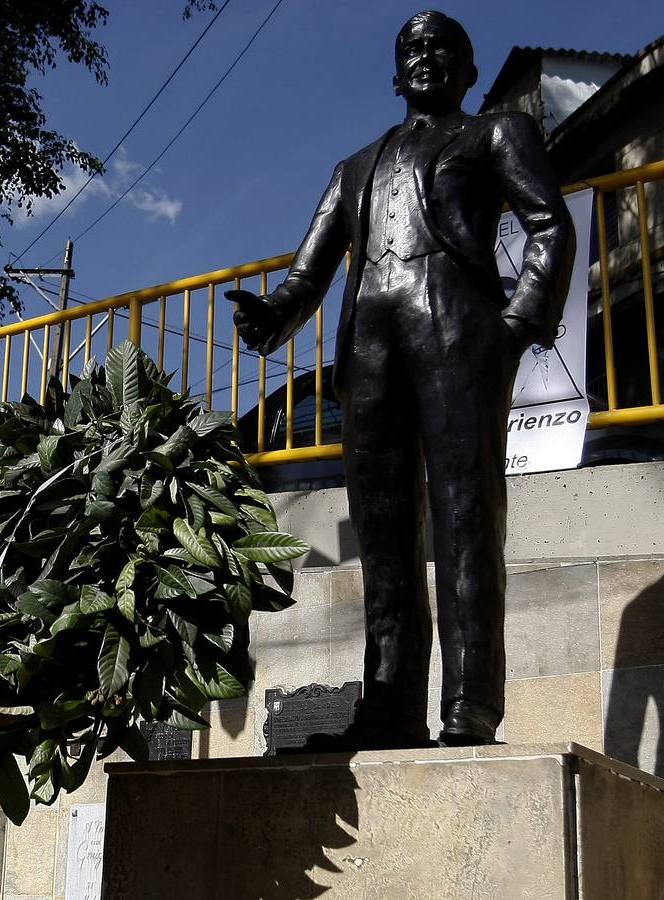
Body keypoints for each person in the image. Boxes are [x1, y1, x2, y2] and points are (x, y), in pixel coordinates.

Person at [229, 11, 574, 749]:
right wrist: (272, 317)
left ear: (468, 68)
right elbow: (306, 274)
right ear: (394, 73)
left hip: (458, 336)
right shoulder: (354, 167)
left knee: (465, 523)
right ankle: (387, 708)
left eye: (441, 47)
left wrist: (516, 328)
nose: (425, 57)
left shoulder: (493, 134)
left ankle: (469, 706)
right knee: (383, 540)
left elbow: (550, 223)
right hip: (371, 356)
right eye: (411, 49)